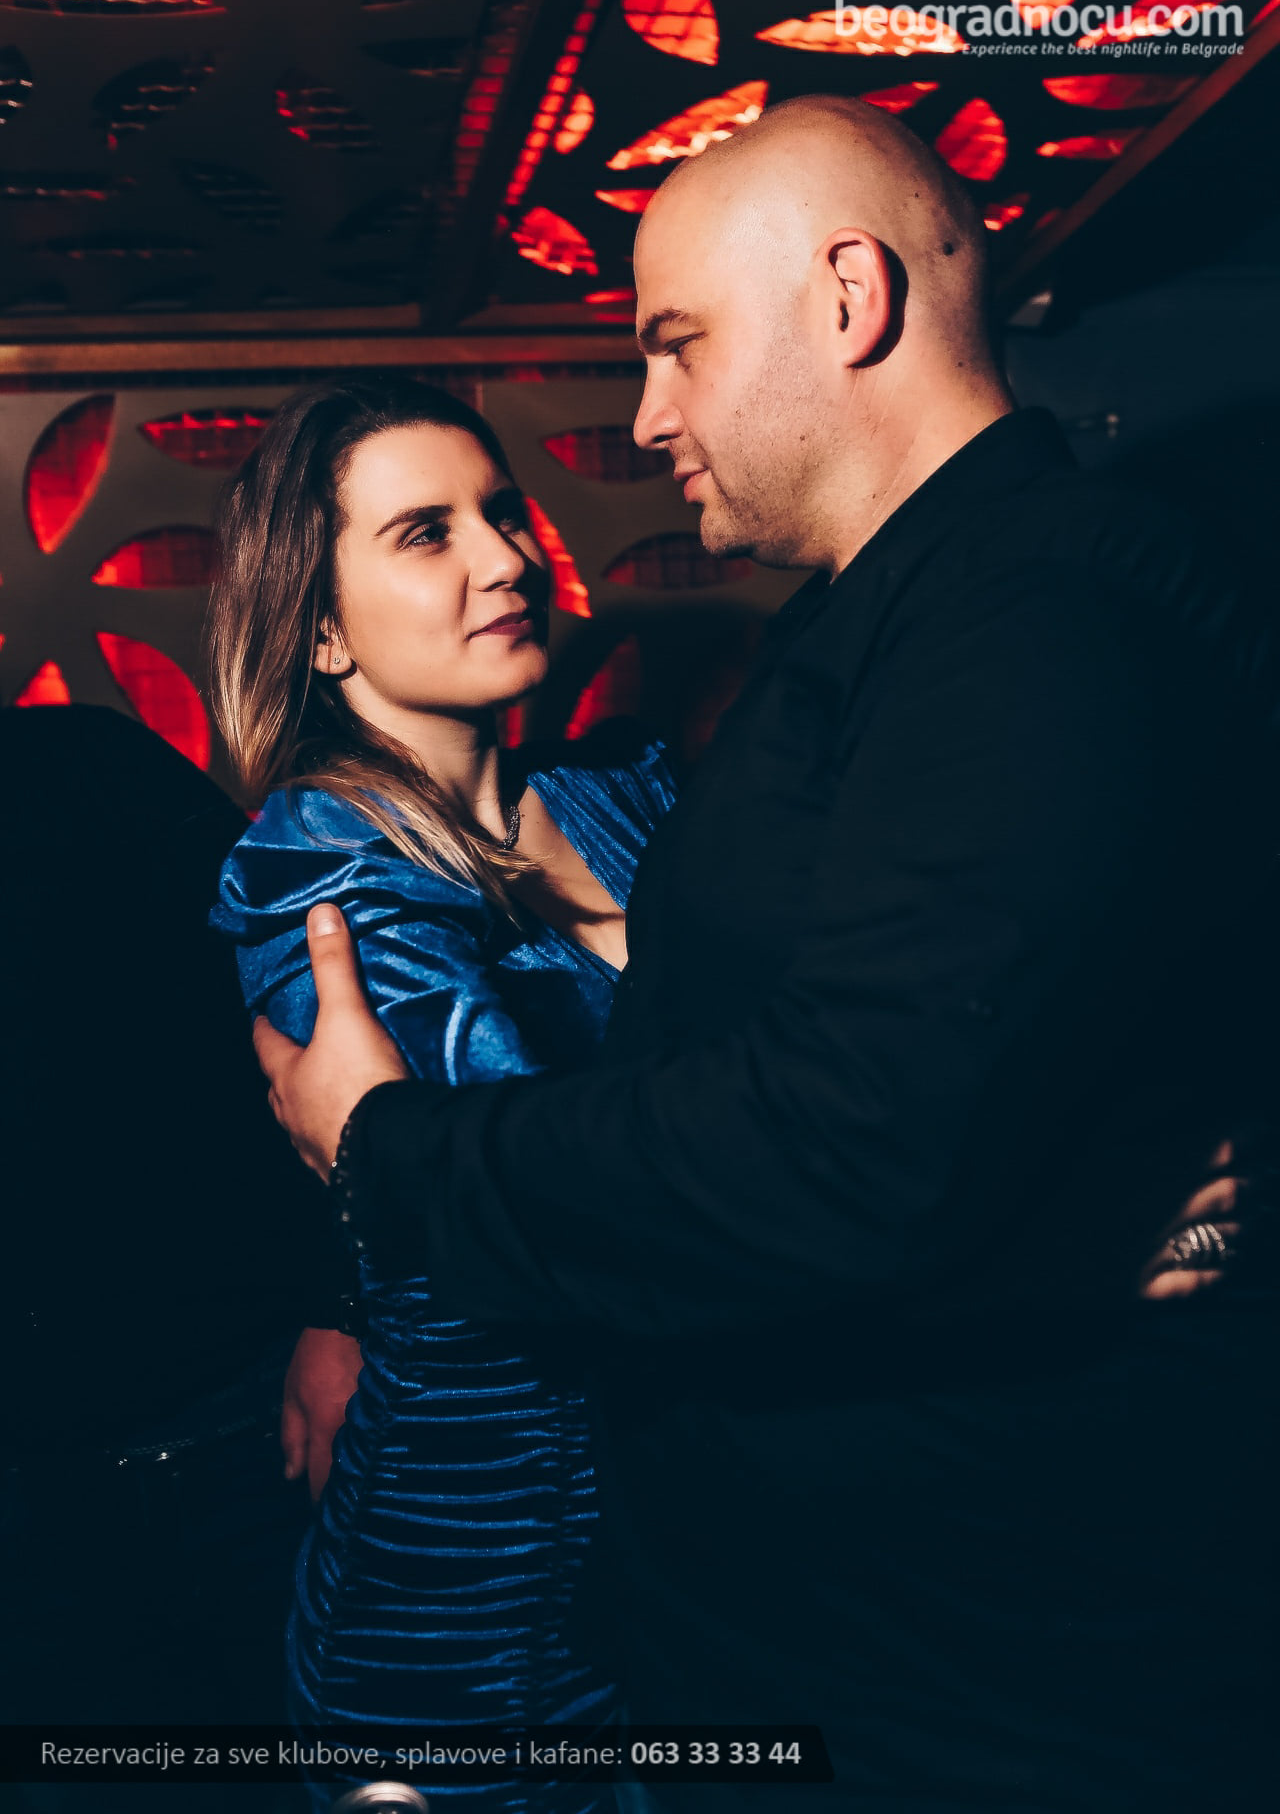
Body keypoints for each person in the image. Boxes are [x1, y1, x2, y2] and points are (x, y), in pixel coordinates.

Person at [252, 96, 1280, 1812]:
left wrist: (394, 1154)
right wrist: (1059, 1231)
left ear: (850, 299)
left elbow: (850, 1136)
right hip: (617, 1591)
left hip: (964, 1682)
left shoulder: (1030, 608)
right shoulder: (874, 630)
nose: (645, 414)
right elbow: (863, 1113)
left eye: (677, 343)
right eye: (426, 532)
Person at [208, 375, 678, 1812]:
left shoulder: (621, 796)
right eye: (427, 532)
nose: (508, 558)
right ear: (323, 629)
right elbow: (535, 1205)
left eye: (503, 513)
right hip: (469, 1577)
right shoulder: (318, 871)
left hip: (681, 1540)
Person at [0, 702, 325, 1814]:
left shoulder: (83, 763)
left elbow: (307, 1005)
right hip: (31, 1527)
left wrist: (343, 1311)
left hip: (252, 1432)